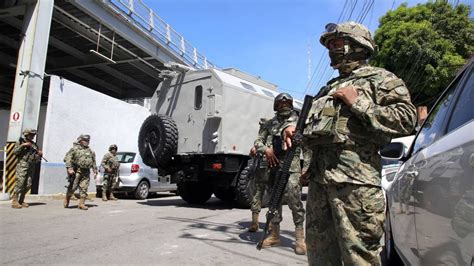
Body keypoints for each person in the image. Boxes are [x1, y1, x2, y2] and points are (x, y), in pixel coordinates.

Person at [283, 22, 417, 265]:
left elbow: (407, 119)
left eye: (337, 43)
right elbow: (320, 134)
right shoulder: (327, 89)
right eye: (330, 45)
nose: (332, 50)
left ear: (358, 45)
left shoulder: (381, 78)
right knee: (320, 257)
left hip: (356, 186)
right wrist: (296, 132)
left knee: (360, 257)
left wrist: (359, 103)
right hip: (319, 184)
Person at [257, 93, 307, 255]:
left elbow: (309, 144)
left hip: (292, 165)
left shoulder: (300, 121)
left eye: (287, 102)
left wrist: (306, 166)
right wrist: (267, 150)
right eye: (280, 103)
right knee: (274, 201)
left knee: (294, 199)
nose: (283, 105)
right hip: (273, 166)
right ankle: (275, 235)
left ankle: (299, 238)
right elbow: (258, 142)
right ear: (275, 106)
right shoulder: (269, 124)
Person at [248, 118, 272, 233]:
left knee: (273, 197)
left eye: (263, 126)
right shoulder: (260, 140)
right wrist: (253, 151)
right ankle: (254, 223)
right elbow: (254, 152)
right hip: (260, 171)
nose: (262, 128)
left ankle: (272, 223)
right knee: (257, 196)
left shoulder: (275, 136)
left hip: (272, 170)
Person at [63, 134, 98, 210]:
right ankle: (67, 198)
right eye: (85, 140)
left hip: (86, 172)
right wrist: (69, 168)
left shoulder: (90, 151)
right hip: (76, 171)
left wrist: (95, 171)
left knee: (84, 188)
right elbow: (68, 158)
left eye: (88, 140)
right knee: (73, 187)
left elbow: (93, 161)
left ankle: (81, 204)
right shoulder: (74, 149)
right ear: (80, 141)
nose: (86, 142)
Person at [11, 129, 42, 209]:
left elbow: (36, 158)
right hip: (22, 165)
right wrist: (23, 145)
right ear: (26, 134)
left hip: (31, 165)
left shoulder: (34, 145)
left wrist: (39, 154)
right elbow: (15, 152)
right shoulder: (20, 142)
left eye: (34, 135)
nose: (33, 136)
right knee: (20, 183)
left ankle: (21, 200)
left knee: (28, 184)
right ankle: (15, 201)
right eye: (31, 134)